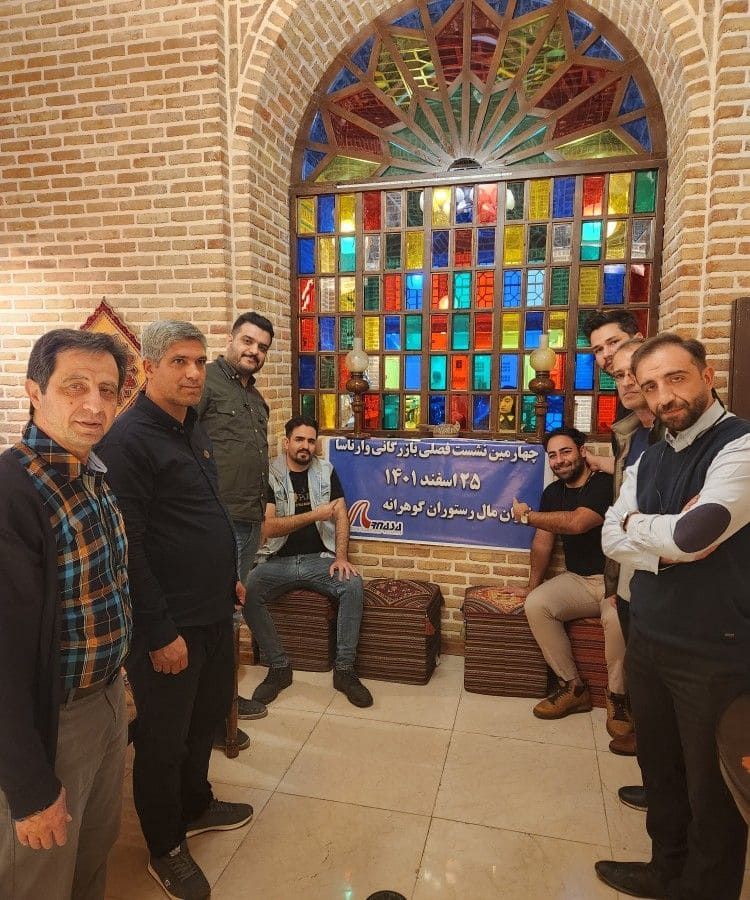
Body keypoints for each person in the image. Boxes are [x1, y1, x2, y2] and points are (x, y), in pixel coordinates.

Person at [97, 321, 252, 900]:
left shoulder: (192, 428)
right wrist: (159, 632)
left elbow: (201, 513)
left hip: (212, 610)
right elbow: (129, 547)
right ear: (148, 368)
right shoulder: (128, 441)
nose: (193, 373)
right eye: (179, 361)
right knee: (164, 740)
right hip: (169, 624)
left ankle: (196, 805)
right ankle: (165, 846)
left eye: (199, 361)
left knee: (205, 719)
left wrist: (229, 578)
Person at [596, 333, 750, 899]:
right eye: (651, 385)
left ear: (707, 376)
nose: (664, 396)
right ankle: (665, 871)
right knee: (660, 770)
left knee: (712, 789)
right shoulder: (650, 457)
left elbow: (696, 532)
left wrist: (641, 528)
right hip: (651, 636)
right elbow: (613, 537)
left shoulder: (740, 447)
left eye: (676, 378)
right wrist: (656, 539)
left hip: (716, 649)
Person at [0, 329, 131, 900]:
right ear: (35, 391)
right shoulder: (13, 492)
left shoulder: (91, 474)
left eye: (107, 389)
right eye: (75, 387)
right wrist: (29, 787)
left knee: (93, 852)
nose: (94, 404)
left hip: (104, 699)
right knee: (39, 875)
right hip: (52, 717)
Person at [244, 415, 374, 708]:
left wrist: (341, 557)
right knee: (248, 589)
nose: (305, 446)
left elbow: (341, 513)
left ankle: (344, 670)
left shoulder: (325, 470)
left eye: (311, 441)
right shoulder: (269, 474)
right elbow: (269, 528)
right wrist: (315, 514)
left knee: (352, 584)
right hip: (278, 559)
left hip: (319, 560)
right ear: (286, 442)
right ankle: (279, 667)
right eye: (299, 440)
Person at [509, 427, 627, 732]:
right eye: (553, 455)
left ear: (582, 452)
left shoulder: (605, 484)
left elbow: (577, 522)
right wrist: (532, 586)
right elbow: (543, 541)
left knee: (616, 619)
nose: (559, 460)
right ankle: (574, 687)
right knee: (537, 604)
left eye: (565, 452)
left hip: (616, 582)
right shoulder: (552, 493)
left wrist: (526, 516)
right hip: (579, 580)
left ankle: (618, 698)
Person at [195, 311, 275, 727]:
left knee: (231, 612)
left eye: (262, 347)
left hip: (247, 520)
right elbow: (183, 444)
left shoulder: (255, 399)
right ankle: (218, 703)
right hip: (216, 521)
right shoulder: (205, 383)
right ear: (230, 339)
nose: (254, 351)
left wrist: (265, 506)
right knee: (218, 613)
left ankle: (221, 699)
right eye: (248, 341)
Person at [584, 309, 644, 476]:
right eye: (598, 350)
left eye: (613, 342)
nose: (606, 354)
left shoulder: (664, 394)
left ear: (638, 339)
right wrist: (597, 461)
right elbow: (633, 468)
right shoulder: (625, 393)